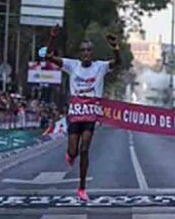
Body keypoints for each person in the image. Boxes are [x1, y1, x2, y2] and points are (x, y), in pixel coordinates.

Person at [45, 25, 121, 202]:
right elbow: (48, 56)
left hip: (90, 114)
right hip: (75, 113)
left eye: (89, 50)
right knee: (73, 151)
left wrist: (115, 48)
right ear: (80, 54)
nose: (86, 53)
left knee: (85, 149)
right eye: (84, 51)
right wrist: (53, 37)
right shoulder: (72, 66)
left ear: (92, 53)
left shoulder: (100, 67)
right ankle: (70, 155)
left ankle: (81, 188)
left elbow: (117, 63)